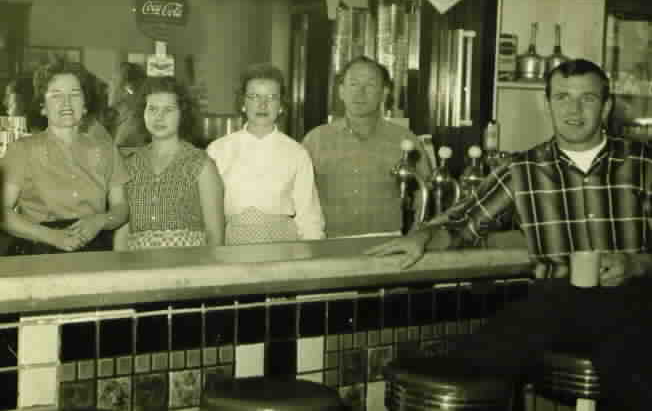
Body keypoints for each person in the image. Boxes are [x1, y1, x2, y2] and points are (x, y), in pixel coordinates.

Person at [367, 59, 652, 410]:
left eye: (588, 99)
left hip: (632, 300)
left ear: (606, 106)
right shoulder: (523, 169)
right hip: (555, 300)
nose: (573, 109)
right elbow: (462, 224)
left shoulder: (643, 162)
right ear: (548, 104)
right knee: (464, 369)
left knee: (632, 384)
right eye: (562, 97)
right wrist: (422, 237)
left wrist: (635, 264)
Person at [0, 59, 130, 254]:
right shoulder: (21, 151)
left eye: (75, 94)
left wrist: (100, 220)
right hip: (39, 250)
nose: (66, 103)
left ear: (85, 105)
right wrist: (52, 236)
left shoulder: (107, 150)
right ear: (43, 106)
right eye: (56, 95)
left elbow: (121, 208)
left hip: (95, 247)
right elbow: (3, 213)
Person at [302, 56, 432, 238]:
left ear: (384, 92)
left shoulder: (406, 141)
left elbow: (425, 195)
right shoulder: (315, 140)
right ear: (341, 91)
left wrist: (416, 236)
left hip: (386, 245)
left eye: (370, 85)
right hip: (328, 243)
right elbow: (299, 198)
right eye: (353, 84)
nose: (360, 93)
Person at [206, 63, 324, 245]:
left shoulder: (296, 153)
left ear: (281, 105)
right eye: (254, 96)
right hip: (230, 244)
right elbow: (207, 212)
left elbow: (309, 216)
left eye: (271, 97)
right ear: (243, 103)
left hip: (282, 246)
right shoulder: (218, 150)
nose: (262, 104)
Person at [113, 76, 224, 250]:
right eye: (152, 109)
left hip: (188, 267)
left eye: (168, 109)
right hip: (136, 267)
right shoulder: (130, 164)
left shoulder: (201, 165)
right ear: (143, 113)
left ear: (183, 114)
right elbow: (122, 233)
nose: (159, 117)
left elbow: (215, 236)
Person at [103, 62, 148, 149]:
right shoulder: (125, 121)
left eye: (113, 81)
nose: (107, 90)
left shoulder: (130, 130)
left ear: (127, 90)